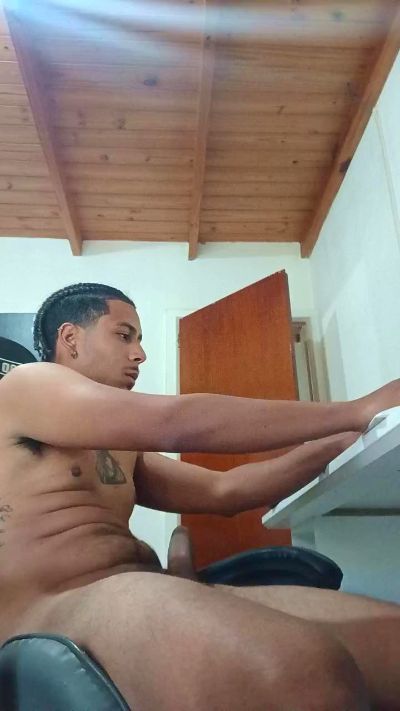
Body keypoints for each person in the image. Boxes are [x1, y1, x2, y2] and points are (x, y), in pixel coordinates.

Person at [0, 282, 399, 710]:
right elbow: (173, 421)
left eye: (139, 340)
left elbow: (223, 490)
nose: (140, 354)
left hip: (146, 588)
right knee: (301, 673)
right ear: (70, 338)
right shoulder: (26, 385)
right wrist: (356, 409)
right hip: (54, 610)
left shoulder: (121, 447)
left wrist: (338, 443)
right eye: (123, 335)